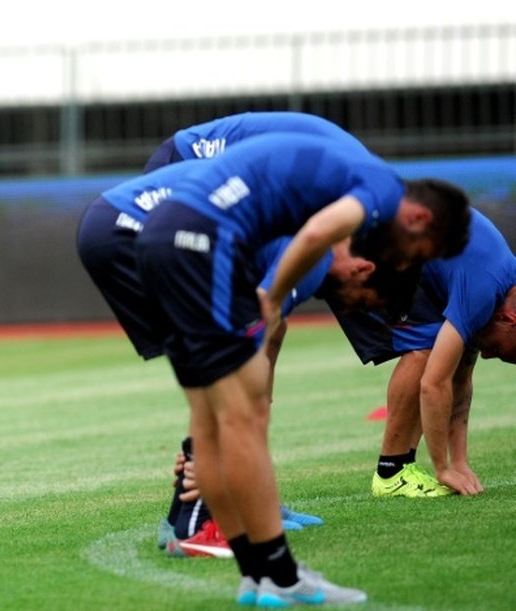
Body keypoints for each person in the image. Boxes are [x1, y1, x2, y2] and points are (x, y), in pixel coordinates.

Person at [129, 131, 469, 605]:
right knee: (234, 402)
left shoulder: (348, 178)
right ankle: (237, 546)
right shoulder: (376, 192)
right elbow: (311, 236)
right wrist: (270, 300)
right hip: (195, 216)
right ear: (419, 219)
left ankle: (253, 538)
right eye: (418, 253)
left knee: (225, 402)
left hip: (182, 221)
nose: (405, 262)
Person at [333, 208, 516, 497]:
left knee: (437, 346)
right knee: (426, 348)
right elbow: (434, 384)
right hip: (355, 247)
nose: (489, 356)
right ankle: (391, 472)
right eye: (499, 350)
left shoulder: (502, 289)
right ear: (509, 320)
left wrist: (460, 461)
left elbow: (460, 377)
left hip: (388, 244)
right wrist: (442, 468)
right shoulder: (483, 293)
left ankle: (397, 470)